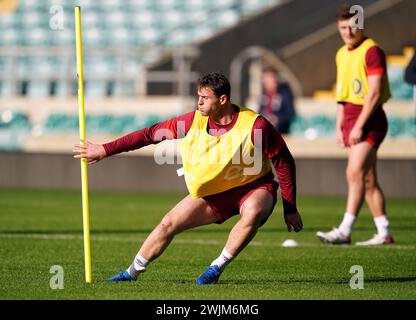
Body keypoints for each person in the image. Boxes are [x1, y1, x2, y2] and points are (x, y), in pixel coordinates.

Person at [73, 72, 303, 284]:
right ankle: (130, 273)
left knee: (252, 211)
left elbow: (284, 162)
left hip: (255, 187)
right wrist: (105, 149)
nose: (199, 102)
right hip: (214, 193)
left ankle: (216, 267)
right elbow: (150, 134)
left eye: (205, 97)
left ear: (222, 100)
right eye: (198, 96)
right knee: (168, 223)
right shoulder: (193, 121)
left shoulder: (256, 125)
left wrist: (289, 208)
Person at [316, 5, 394, 246]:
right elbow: (342, 94)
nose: (348, 31)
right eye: (342, 27)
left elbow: (374, 93)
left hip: (369, 120)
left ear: (360, 25)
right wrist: (341, 125)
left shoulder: (372, 51)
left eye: (352, 26)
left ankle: (344, 230)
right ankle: (384, 232)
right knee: (368, 179)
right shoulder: (341, 53)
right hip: (351, 118)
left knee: (354, 172)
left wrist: (359, 125)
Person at [258, 67, 296, 134]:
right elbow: (260, 111)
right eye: (265, 78)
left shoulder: (284, 93)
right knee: (256, 130)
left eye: (269, 77)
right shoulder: (264, 94)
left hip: (280, 130)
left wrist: (277, 118)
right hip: (265, 128)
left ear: (275, 79)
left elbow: (291, 113)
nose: (266, 80)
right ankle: (258, 144)